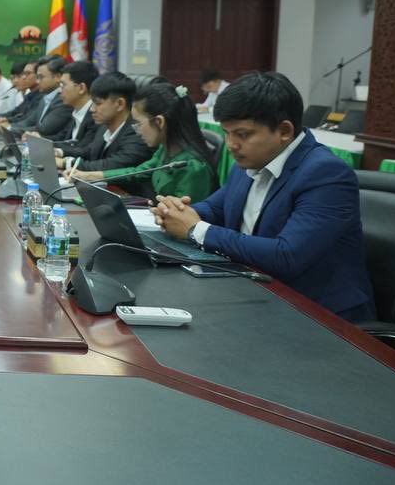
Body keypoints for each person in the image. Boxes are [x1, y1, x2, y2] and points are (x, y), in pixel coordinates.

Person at [153, 72, 376, 321]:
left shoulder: (326, 174)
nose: (231, 145)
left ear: (284, 130)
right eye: (227, 133)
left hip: (318, 315)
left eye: (242, 134)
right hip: (254, 292)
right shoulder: (251, 161)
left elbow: (286, 256)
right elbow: (216, 208)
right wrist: (177, 212)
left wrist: (196, 229)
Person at [72, 80, 217, 202]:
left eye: (138, 123)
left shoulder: (193, 167)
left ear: (159, 122)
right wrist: (89, 176)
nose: (137, 131)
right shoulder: (166, 148)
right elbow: (137, 172)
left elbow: (185, 219)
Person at [56, 71, 153, 172]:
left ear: (120, 104)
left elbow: (109, 166)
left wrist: (65, 163)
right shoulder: (104, 126)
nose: (92, 109)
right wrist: (59, 152)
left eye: (98, 103)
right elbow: (89, 151)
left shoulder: (138, 133)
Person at [45, 60, 99, 145]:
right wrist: (38, 139)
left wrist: (58, 150)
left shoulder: (95, 117)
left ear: (81, 88)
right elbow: (61, 138)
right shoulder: (76, 111)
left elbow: (82, 148)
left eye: (63, 85)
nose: (59, 91)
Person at [25, 56, 70, 138]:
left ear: (58, 77)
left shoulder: (64, 100)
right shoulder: (45, 97)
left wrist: (10, 128)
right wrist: (9, 127)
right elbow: (29, 122)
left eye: (41, 77)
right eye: (37, 77)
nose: (37, 81)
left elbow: (44, 129)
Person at [0, 60, 39, 129]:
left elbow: (28, 120)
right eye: (12, 78)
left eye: (19, 76)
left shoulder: (41, 97)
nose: (24, 77)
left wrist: (9, 126)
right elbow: (16, 112)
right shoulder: (29, 95)